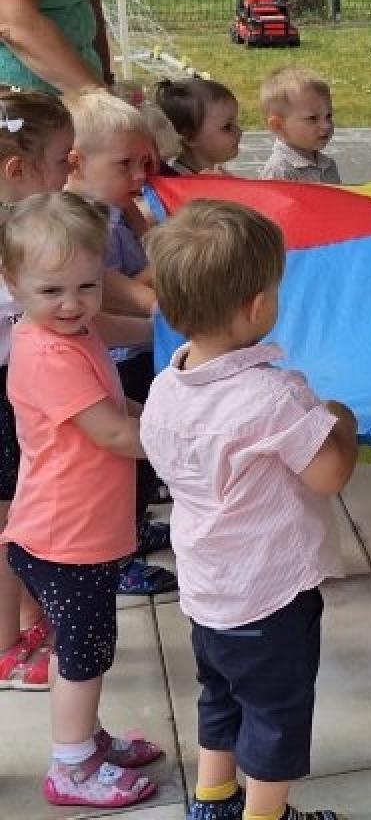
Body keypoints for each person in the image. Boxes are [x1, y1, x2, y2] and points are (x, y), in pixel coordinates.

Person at [142, 200, 357, 820]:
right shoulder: (275, 396)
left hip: (207, 586)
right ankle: (266, 814)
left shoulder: (165, 383)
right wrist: (336, 418)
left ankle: (212, 800)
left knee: (221, 693)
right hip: (270, 594)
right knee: (276, 712)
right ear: (258, 307)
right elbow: (329, 474)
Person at [0, 192, 165, 809]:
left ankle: (87, 739)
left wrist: (169, 329)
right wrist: (191, 441)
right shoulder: (46, 355)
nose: (73, 305)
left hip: (81, 530)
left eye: (88, 286)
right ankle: (69, 766)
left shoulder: (73, 329)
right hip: (63, 537)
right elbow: (115, 433)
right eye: (53, 292)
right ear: (13, 284)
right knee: (80, 652)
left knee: (89, 645)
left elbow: (120, 350)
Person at [64, 89, 175, 597]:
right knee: (120, 459)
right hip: (115, 355)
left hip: (132, 349)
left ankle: (133, 526)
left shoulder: (114, 210)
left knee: (134, 460)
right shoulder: (82, 226)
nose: (139, 176)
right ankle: (120, 554)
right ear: (77, 163)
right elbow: (116, 287)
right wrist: (164, 291)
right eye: (124, 164)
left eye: (144, 163)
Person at [0, 90, 75, 689]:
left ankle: (29, 616)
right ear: (16, 171)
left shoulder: (22, 231)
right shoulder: (15, 246)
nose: (69, 171)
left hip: (10, 390)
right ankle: (6, 644)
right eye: (60, 160)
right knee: (7, 521)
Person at [258, 67, 340, 184]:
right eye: (312, 118)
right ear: (278, 126)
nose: (326, 125)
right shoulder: (279, 172)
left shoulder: (327, 165)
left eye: (328, 116)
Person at [154, 77, 242, 175]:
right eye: (227, 127)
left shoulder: (216, 172)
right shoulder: (179, 184)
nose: (239, 131)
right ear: (190, 137)